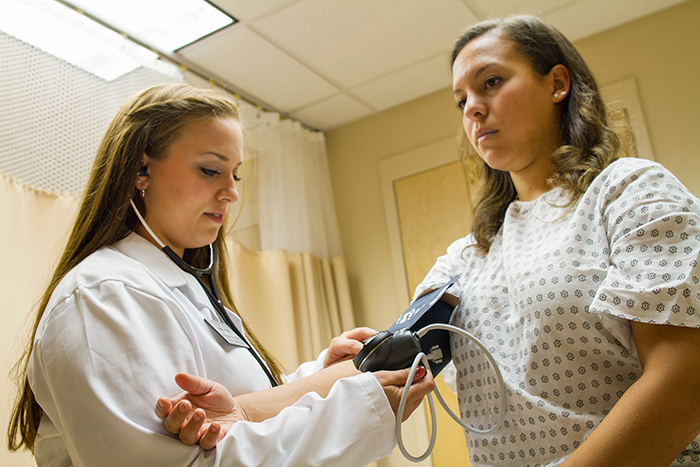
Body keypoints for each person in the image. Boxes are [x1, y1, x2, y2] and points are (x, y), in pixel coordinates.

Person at [159, 15, 700, 467]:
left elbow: (683, 380)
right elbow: (382, 363)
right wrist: (244, 411)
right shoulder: (468, 257)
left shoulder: (628, 192)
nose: (472, 109)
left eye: (491, 83)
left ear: (558, 84)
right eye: (461, 98)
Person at [5, 83, 434, 467]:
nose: (231, 191)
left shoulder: (189, 290)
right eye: (211, 170)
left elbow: (237, 418)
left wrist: (323, 375)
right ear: (141, 171)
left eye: (236, 174)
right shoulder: (100, 297)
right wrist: (356, 406)